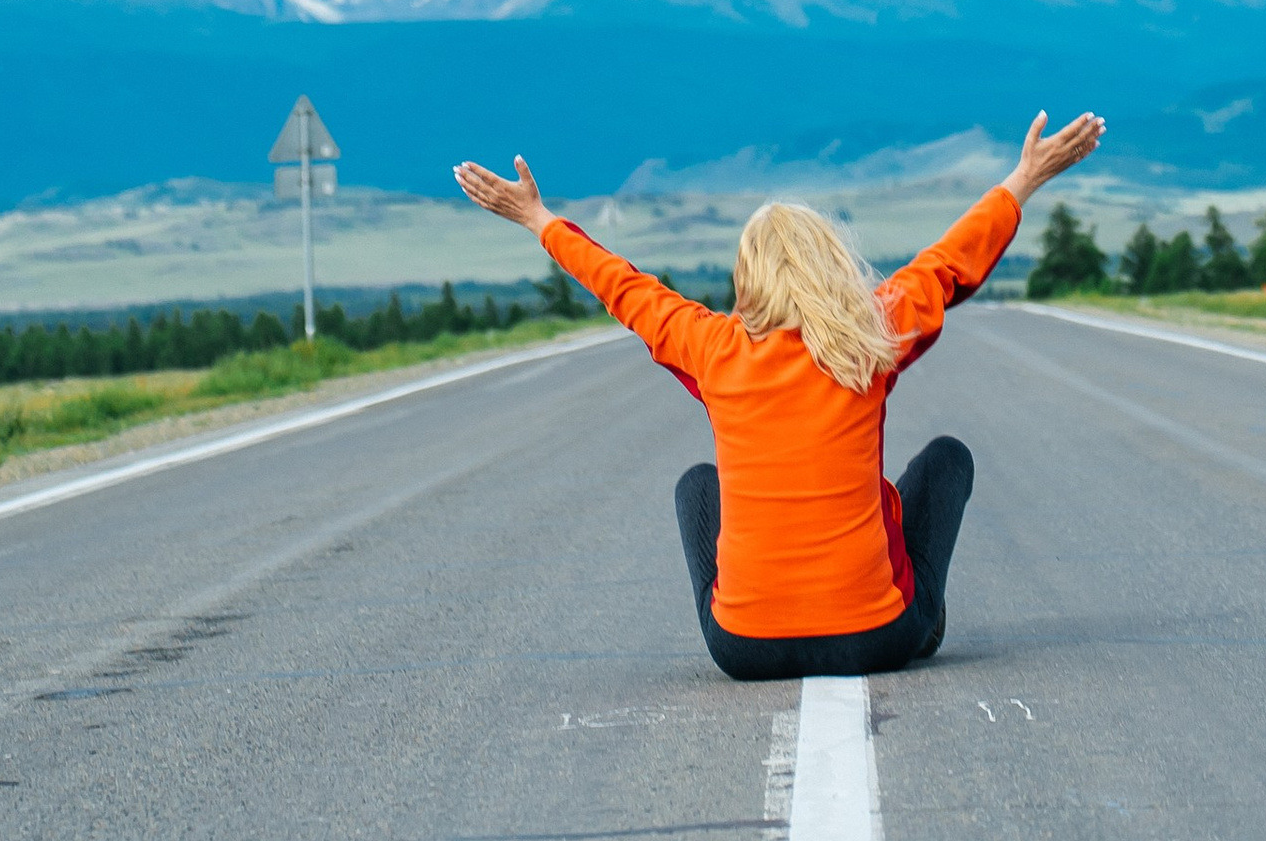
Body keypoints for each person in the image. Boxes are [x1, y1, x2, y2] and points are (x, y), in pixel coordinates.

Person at [453, 108, 1106, 678]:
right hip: (879, 638)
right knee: (946, 459)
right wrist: (1024, 180)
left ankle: (763, 604)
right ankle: (922, 616)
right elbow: (949, 262)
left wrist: (538, 218)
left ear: (747, 278)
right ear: (832, 263)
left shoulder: (713, 347)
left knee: (697, 485)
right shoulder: (869, 338)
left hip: (743, 649)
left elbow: (623, 287)